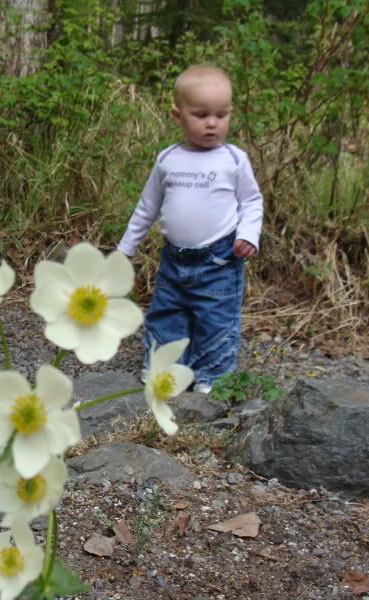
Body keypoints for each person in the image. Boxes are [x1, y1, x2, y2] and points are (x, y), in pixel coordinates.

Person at [117, 65, 263, 394]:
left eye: (221, 115)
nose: (212, 123)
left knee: (216, 318)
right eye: (201, 114)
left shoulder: (234, 159)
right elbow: (147, 207)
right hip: (174, 259)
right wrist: (125, 248)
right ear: (177, 116)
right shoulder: (168, 159)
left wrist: (247, 235)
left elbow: (252, 202)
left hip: (219, 260)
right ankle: (165, 370)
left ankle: (212, 375)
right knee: (166, 313)